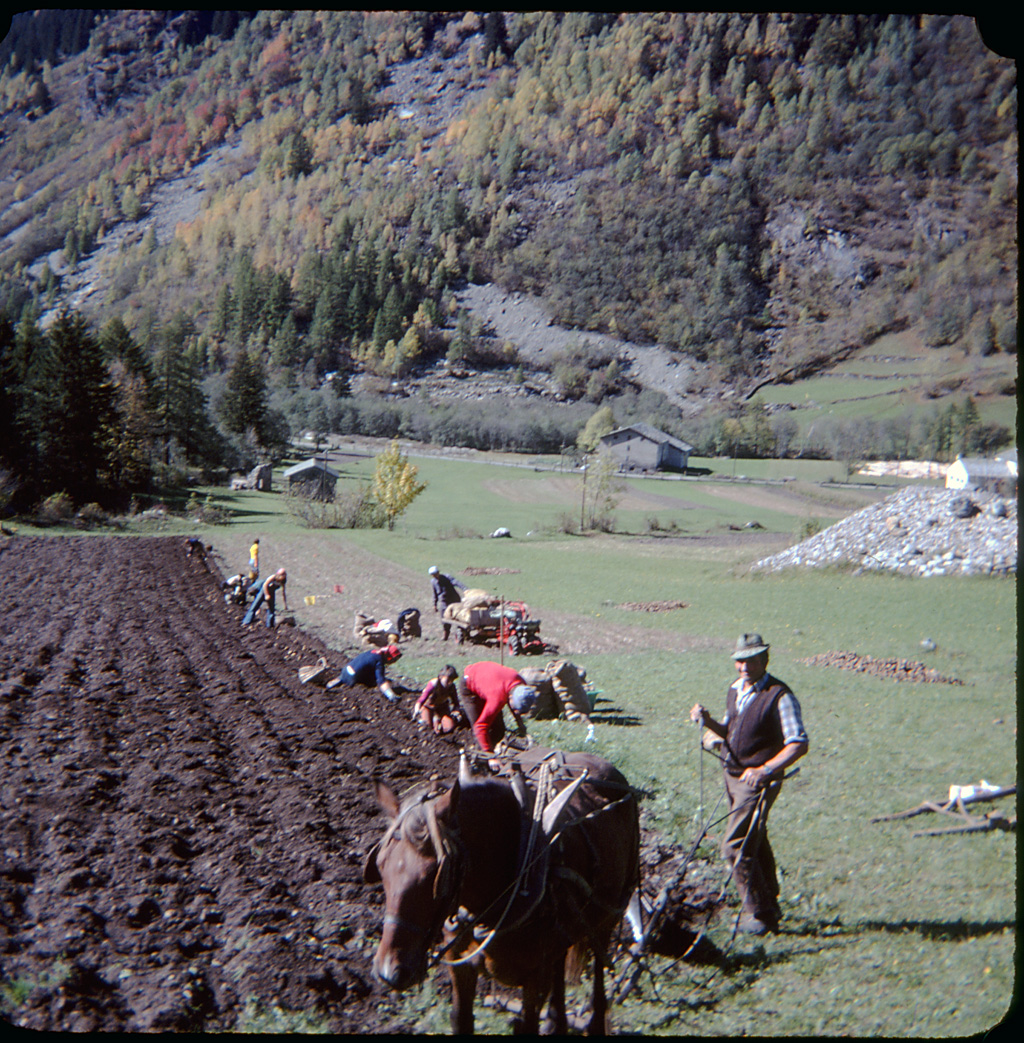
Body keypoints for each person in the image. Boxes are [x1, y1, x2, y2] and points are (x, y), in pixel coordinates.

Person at [690, 633, 809, 936]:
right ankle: (771, 901)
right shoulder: (735, 689)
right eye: (740, 660)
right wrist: (708, 721)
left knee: (734, 846)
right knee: (754, 837)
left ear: (764, 660)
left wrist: (765, 769)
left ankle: (759, 913)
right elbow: (731, 728)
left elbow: (798, 744)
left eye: (751, 660)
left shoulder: (778, 695)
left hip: (757, 782)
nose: (744, 666)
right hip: (732, 774)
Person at [459, 660, 538, 768]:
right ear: (509, 697)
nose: (515, 711)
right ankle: (478, 762)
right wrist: (491, 757)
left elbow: (516, 703)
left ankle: (492, 750)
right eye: (514, 708)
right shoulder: (497, 698)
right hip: (469, 682)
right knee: (479, 727)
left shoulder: (521, 685)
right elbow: (480, 726)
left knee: (499, 730)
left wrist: (520, 725)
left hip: (488, 682)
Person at [327, 644, 402, 702]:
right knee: (374, 682)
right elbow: (381, 681)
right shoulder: (379, 661)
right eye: (393, 659)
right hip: (353, 678)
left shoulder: (373, 651)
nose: (393, 662)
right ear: (389, 656)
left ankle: (340, 680)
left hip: (345, 671)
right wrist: (391, 695)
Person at [415, 665, 461, 733]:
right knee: (427, 727)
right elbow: (422, 699)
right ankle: (433, 721)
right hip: (428, 707)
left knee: (449, 727)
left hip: (442, 708)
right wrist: (417, 709)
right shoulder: (433, 684)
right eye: (448, 680)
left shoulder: (452, 687)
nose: (449, 683)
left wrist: (456, 711)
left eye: (452, 680)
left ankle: (438, 723)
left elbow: (456, 702)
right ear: (440, 677)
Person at [428, 565, 466, 641]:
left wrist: (465, 589)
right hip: (443, 602)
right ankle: (446, 635)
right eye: (433, 575)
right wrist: (434, 604)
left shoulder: (447, 577)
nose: (435, 576)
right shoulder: (433, 582)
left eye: (436, 573)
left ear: (438, 572)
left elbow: (457, 582)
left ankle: (462, 634)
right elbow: (435, 593)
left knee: (459, 617)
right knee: (444, 619)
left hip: (454, 599)